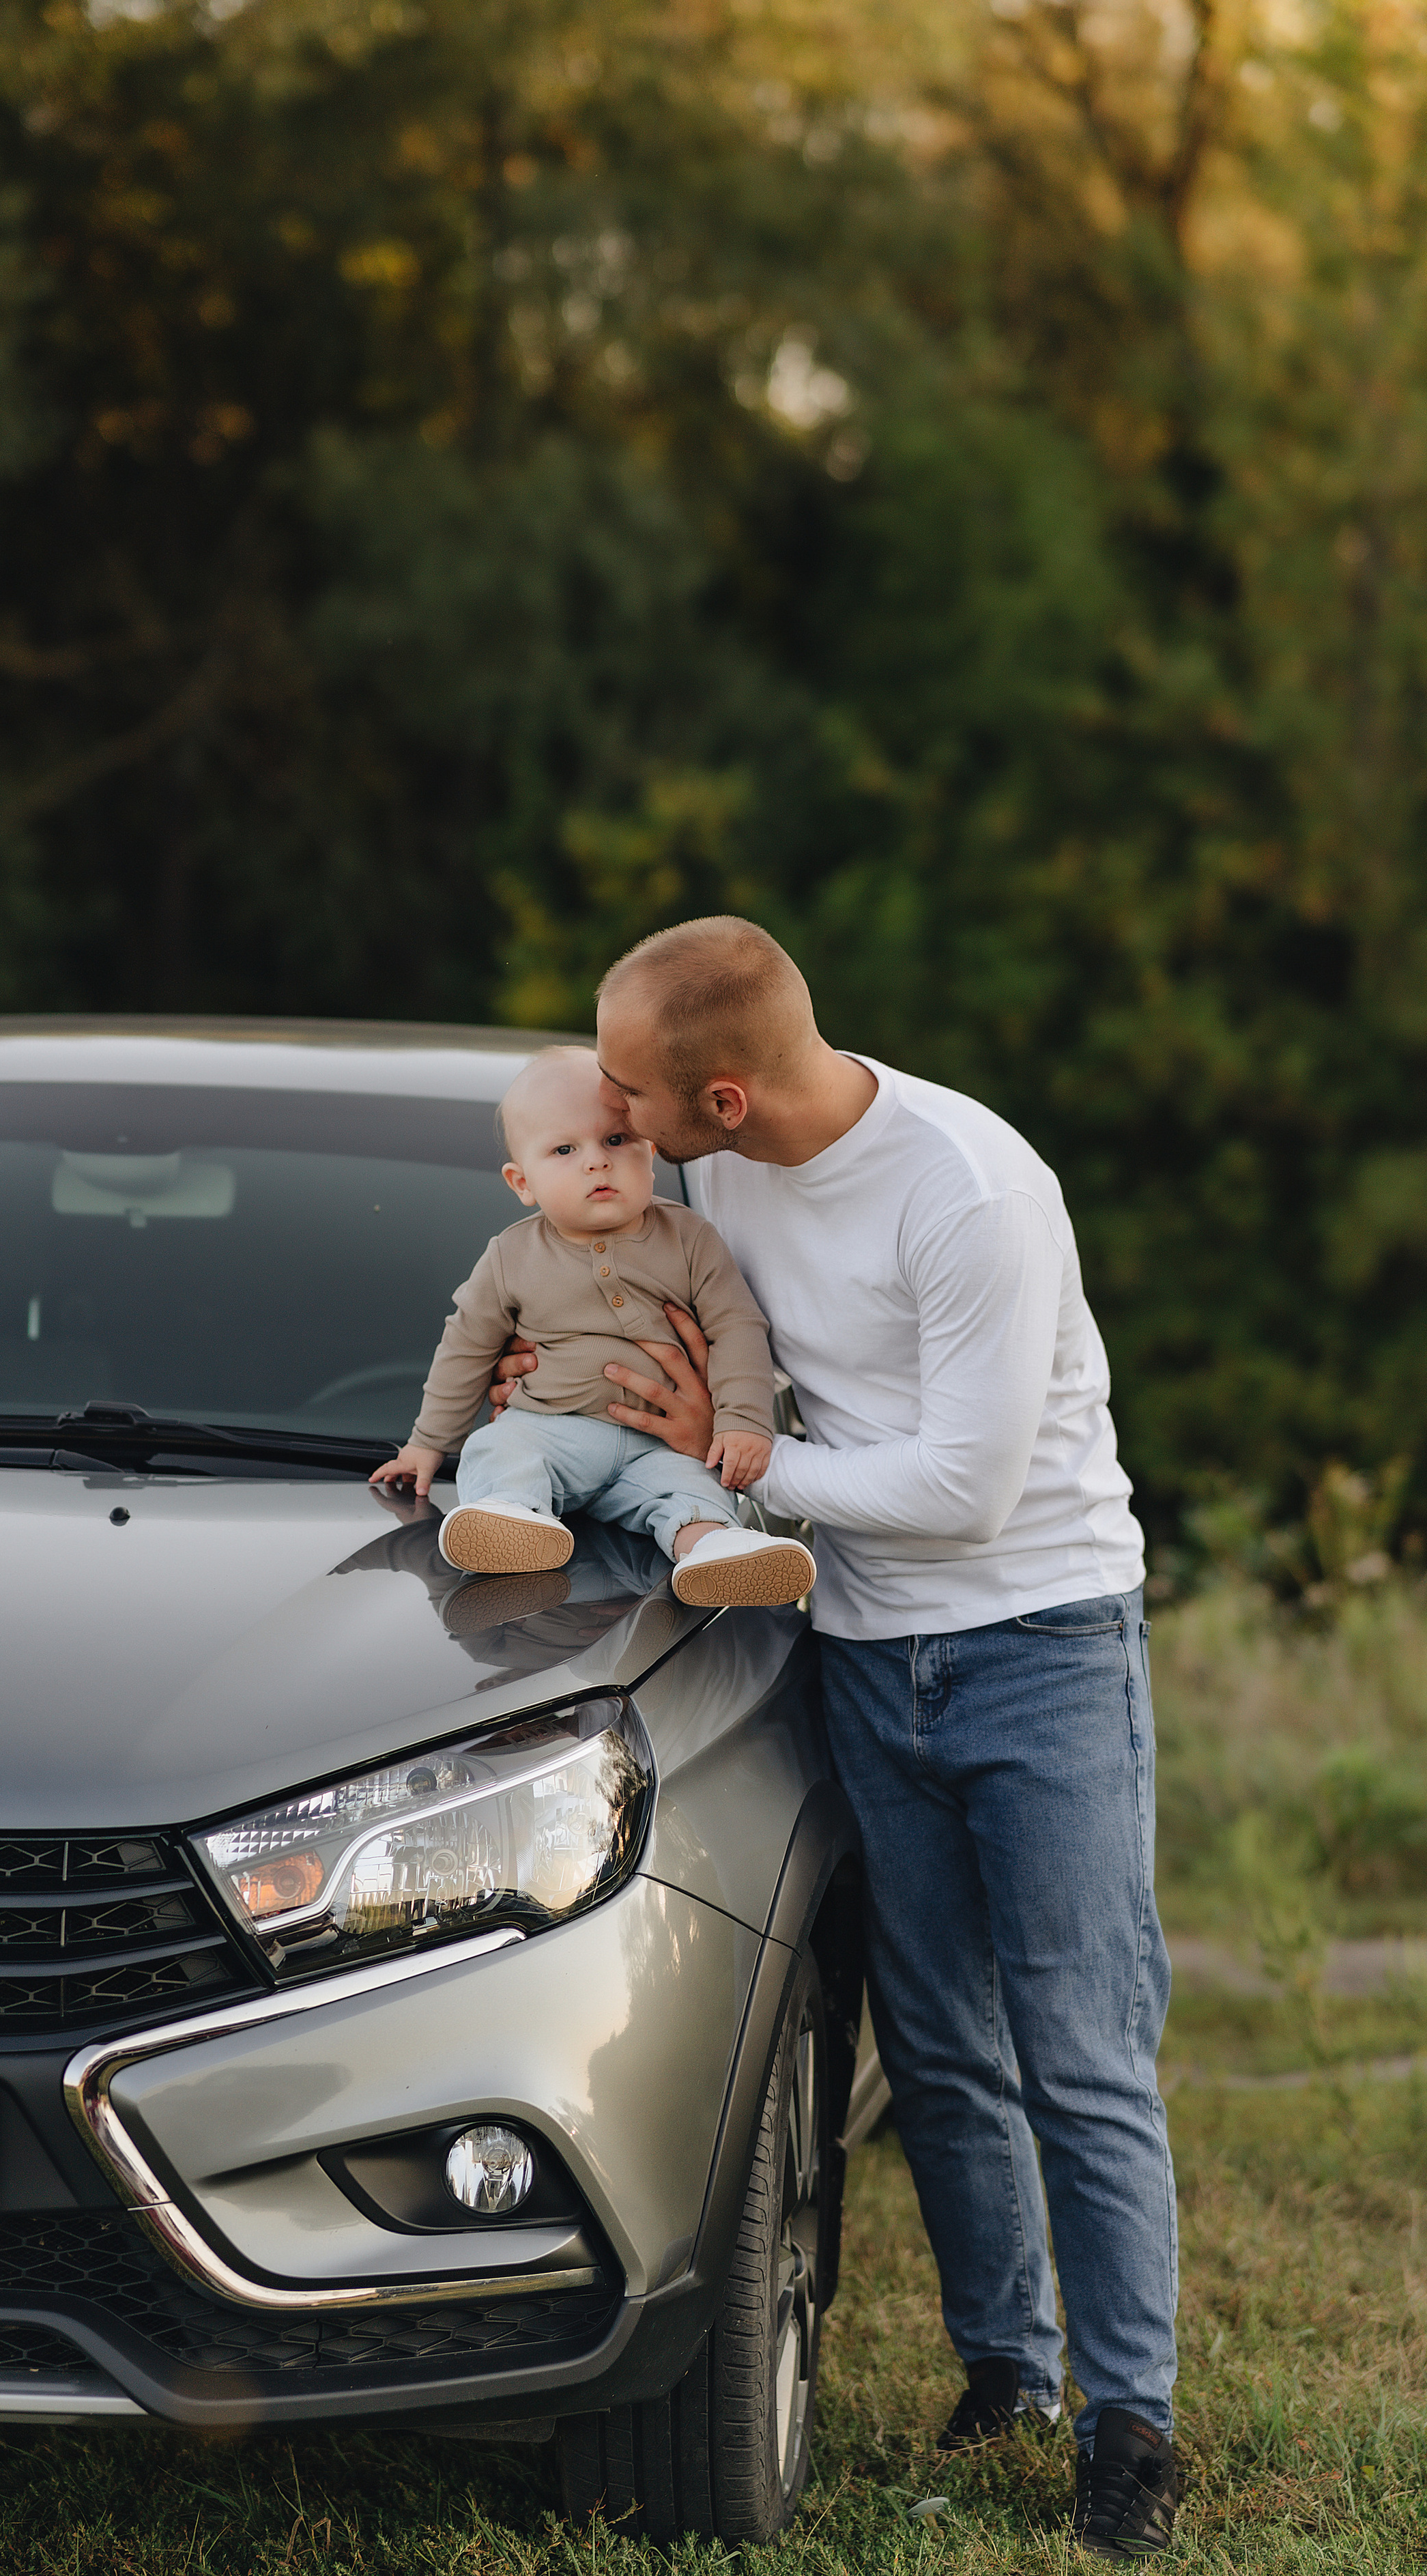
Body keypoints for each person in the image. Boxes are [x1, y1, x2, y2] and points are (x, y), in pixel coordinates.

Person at [490, 924, 1183, 2562]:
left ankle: (1129, 2425)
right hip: (865, 1655)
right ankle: (1004, 2372)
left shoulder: (967, 1191)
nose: (614, 1108)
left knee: (1076, 2051)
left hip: (1041, 1646)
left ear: (722, 1095)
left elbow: (964, 1490)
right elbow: (632, 1300)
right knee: (936, 2044)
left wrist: (738, 1464)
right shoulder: (711, 1179)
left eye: (636, 1089)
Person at [373, 1044, 816, 1610]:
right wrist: (427, 1443)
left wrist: (743, 1422)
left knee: (691, 1490)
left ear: (651, 1150)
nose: (595, 1161)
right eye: (564, 1148)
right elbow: (467, 1345)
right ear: (521, 1182)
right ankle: (514, 1517)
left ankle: (714, 1549)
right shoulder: (511, 1255)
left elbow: (738, 1328)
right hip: (553, 1430)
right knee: (499, 1445)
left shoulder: (691, 1238)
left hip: (663, 1443)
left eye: (615, 1139)